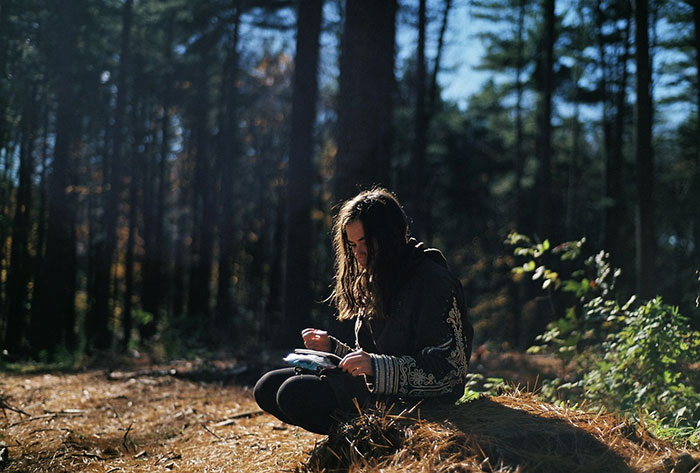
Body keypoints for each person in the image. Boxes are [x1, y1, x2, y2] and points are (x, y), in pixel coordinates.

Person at [254, 188, 473, 435]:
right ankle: (357, 438)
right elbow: (371, 359)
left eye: (366, 242)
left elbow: (449, 375)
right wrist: (334, 349)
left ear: (390, 235)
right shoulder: (377, 277)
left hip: (415, 408)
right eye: (352, 244)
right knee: (267, 387)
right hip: (377, 395)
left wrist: (376, 367)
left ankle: (369, 441)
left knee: (293, 393)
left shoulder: (433, 282)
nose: (358, 253)